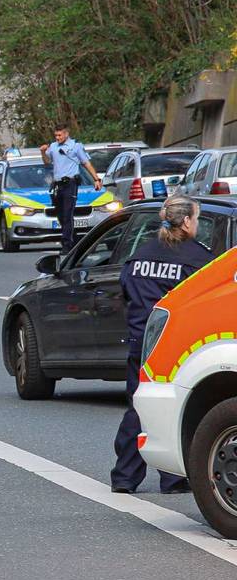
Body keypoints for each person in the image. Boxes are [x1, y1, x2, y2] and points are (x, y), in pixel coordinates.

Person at [111, 195, 212, 494]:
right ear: (186, 222)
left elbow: (125, 289)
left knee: (138, 406)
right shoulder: (198, 259)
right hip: (176, 347)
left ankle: (125, 477)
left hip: (140, 342)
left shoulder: (140, 253)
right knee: (175, 407)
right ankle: (172, 478)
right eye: (195, 218)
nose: (196, 224)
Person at [40, 124, 102, 252]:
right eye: (56, 135)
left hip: (70, 183)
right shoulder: (53, 147)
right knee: (60, 214)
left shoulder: (75, 146)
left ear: (66, 134)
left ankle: (67, 244)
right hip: (57, 185)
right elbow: (46, 162)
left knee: (68, 213)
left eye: (59, 135)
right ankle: (73, 239)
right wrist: (42, 151)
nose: (57, 138)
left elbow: (86, 163)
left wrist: (96, 179)